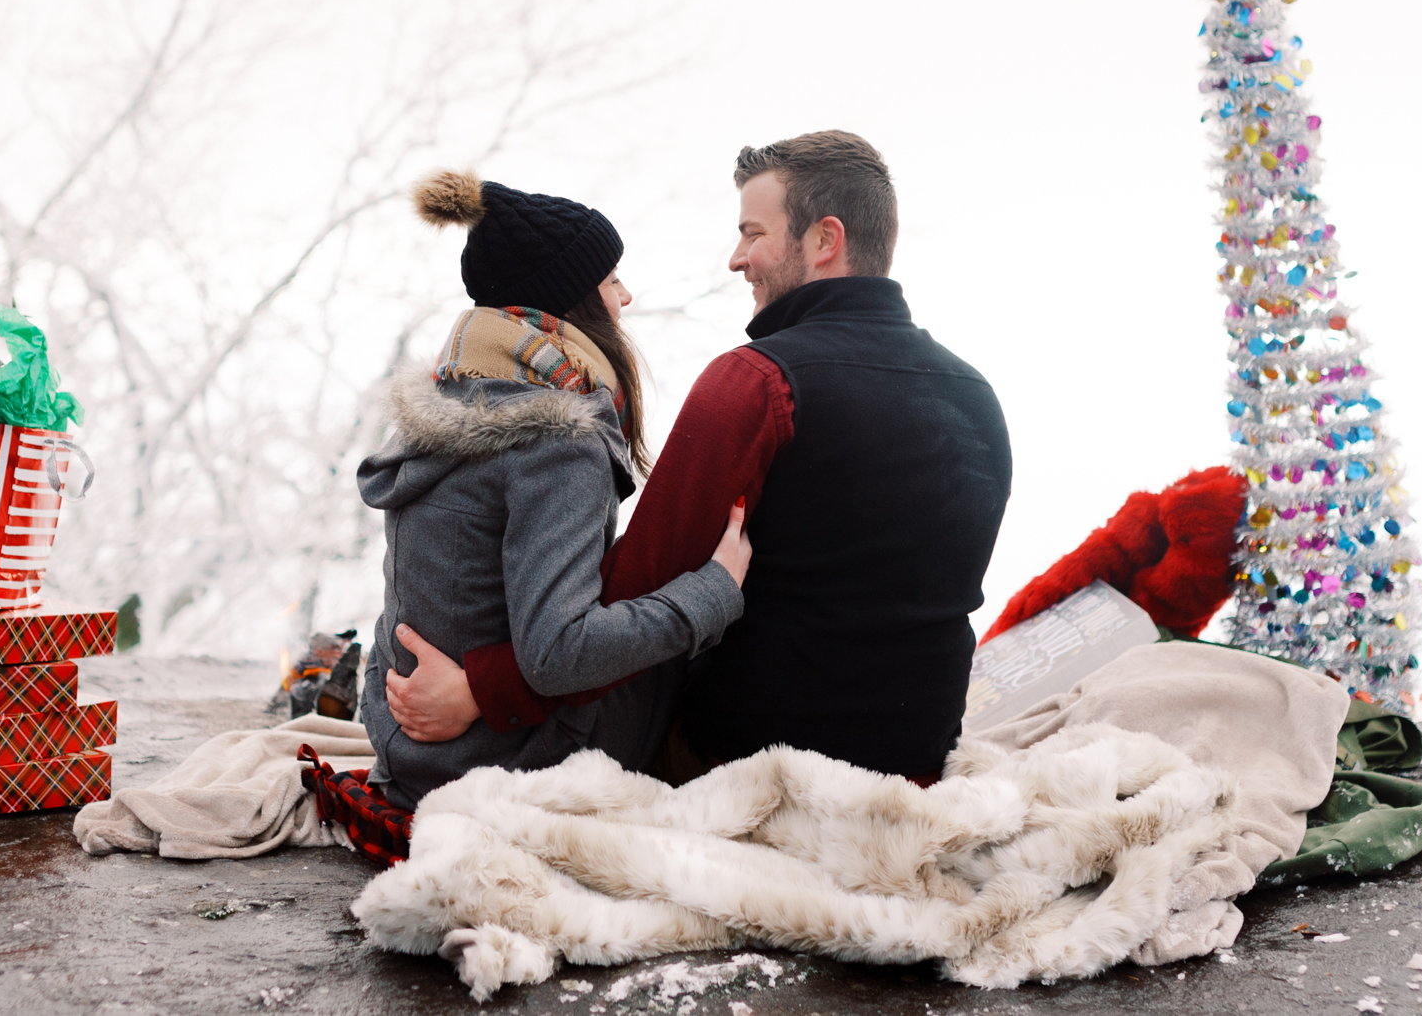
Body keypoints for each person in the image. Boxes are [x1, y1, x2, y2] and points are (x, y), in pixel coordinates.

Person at [389, 131, 1012, 784]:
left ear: (826, 239)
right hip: (915, 761)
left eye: (752, 232)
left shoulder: (759, 383)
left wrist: (480, 690)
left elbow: (636, 586)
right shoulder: (977, 397)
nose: (736, 259)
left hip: (756, 766)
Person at [358, 169, 752, 812]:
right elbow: (560, 654)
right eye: (611, 279)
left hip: (408, 754)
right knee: (703, 640)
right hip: (507, 768)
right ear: (570, 303)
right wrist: (713, 590)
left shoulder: (451, 402)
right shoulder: (557, 440)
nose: (626, 297)